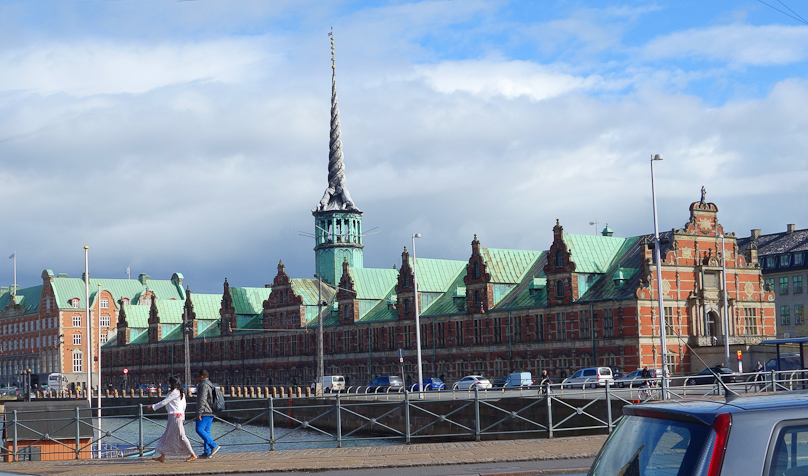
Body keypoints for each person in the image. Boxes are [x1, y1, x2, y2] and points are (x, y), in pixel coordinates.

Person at [148, 376, 196, 463]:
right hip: (175, 416)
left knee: (181, 436)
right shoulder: (180, 392)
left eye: (170, 383)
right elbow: (184, 406)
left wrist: (153, 406)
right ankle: (162, 455)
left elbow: (165, 402)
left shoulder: (175, 392)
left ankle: (193, 454)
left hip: (175, 416)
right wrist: (182, 415)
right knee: (167, 436)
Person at [195, 369, 220, 458]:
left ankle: (214, 445)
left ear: (202, 376)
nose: (197, 378)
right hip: (211, 410)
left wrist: (199, 412)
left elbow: (202, 399)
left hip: (205, 411)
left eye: (198, 376)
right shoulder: (210, 384)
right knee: (206, 431)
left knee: (199, 429)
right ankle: (207, 452)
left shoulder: (203, 385)